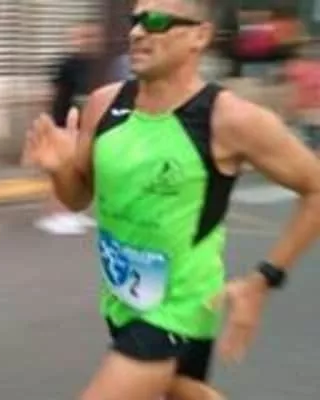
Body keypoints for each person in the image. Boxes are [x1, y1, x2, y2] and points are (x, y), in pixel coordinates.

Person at [23, 0, 320, 399]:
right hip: (123, 301)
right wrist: (59, 169)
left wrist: (263, 280)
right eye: (135, 21)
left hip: (180, 309)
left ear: (200, 35)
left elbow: (315, 188)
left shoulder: (230, 119)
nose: (137, 33)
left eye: (157, 21)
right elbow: (78, 198)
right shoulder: (103, 104)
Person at [34, 21, 103, 234]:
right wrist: (48, 122)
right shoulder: (66, 64)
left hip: (82, 124)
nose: (90, 41)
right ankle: (56, 215)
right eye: (85, 37)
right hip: (63, 121)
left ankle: (72, 211)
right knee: (61, 169)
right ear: (75, 39)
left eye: (93, 37)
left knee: (79, 169)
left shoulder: (91, 64)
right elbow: (52, 94)